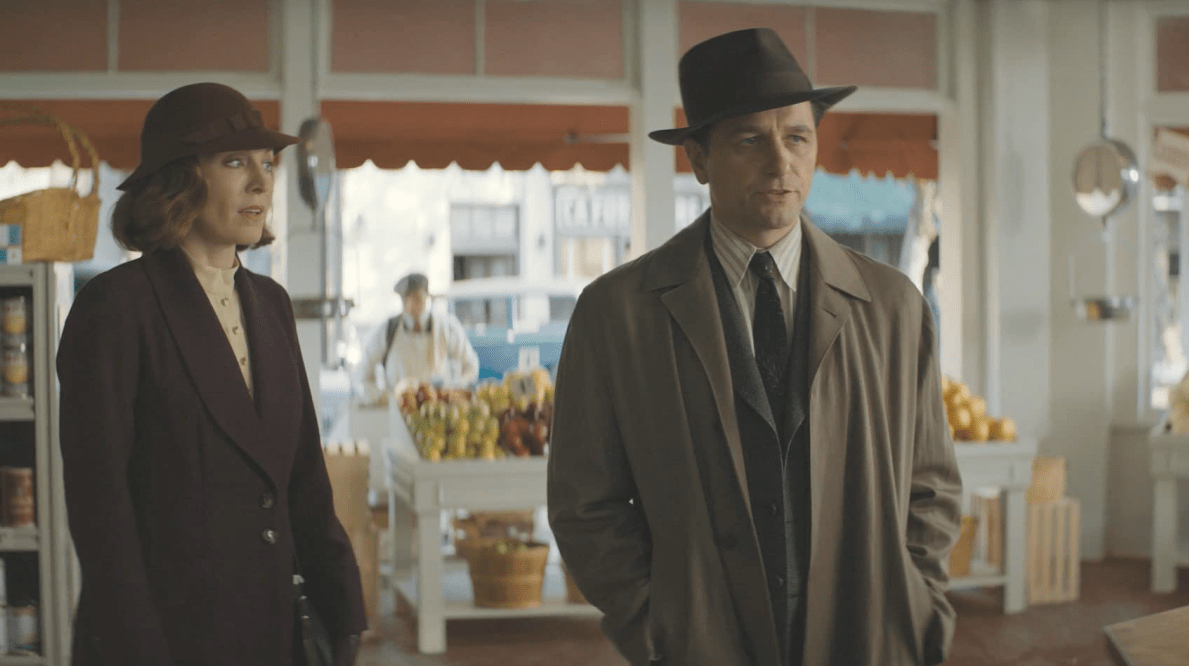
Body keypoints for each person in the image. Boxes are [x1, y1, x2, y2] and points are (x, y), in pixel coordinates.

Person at [547, 28, 962, 666]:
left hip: (867, 633)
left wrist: (916, 601)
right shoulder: (616, 314)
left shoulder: (893, 308)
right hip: (700, 643)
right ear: (699, 160)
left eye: (797, 138)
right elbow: (585, 504)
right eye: (749, 140)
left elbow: (931, 485)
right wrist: (653, 622)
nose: (780, 164)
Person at [57, 82, 365, 666]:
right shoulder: (117, 306)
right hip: (165, 638)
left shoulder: (271, 303)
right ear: (179, 179)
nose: (262, 182)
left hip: (271, 632)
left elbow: (303, 475)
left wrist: (344, 609)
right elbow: (101, 511)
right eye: (235, 163)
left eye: (267, 163)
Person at [361, 272, 479, 396]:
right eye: (407, 300)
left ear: (427, 297)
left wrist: (456, 388)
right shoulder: (387, 330)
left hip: (438, 403)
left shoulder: (447, 327)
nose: (412, 305)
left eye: (418, 298)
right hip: (399, 403)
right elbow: (362, 372)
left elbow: (470, 366)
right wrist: (380, 397)